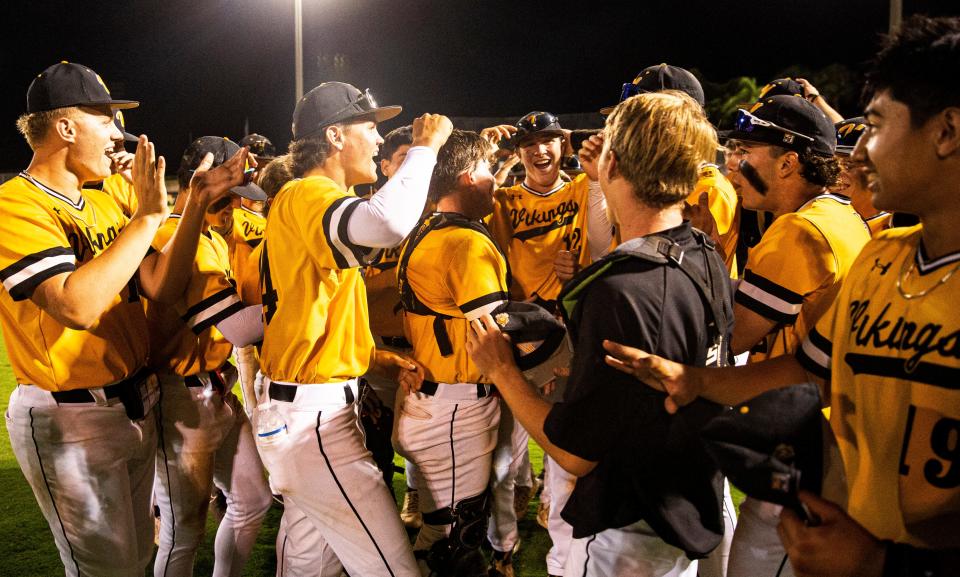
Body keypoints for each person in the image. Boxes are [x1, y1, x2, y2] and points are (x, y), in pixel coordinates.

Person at [603, 15, 960, 577]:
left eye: (877, 126)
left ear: (946, 131)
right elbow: (809, 367)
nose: (858, 152)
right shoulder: (883, 255)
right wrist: (695, 379)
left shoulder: (810, 230)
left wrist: (883, 564)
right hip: (843, 513)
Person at [468, 90, 733, 577]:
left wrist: (502, 371)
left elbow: (576, 454)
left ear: (612, 162)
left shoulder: (620, 286)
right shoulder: (704, 252)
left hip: (626, 528)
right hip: (684, 503)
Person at [1, 61, 245, 577]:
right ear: (66, 128)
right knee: (106, 571)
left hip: (133, 402)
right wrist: (150, 218)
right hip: (69, 415)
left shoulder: (107, 197)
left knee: (135, 564)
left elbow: (162, 286)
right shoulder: (14, 203)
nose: (118, 135)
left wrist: (195, 203)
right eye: (106, 121)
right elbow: (77, 306)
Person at [255, 80, 451, 577]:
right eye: (370, 127)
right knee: (394, 570)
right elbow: (384, 224)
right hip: (312, 422)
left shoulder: (310, 197)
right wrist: (424, 150)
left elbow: (316, 307)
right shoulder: (306, 191)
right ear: (336, 136)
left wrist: (373, 355)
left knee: (306, 569)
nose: (379, 139)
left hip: (302, 408)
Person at [719, 94, 871, 576]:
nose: (735, 166)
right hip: (842, 432)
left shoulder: (798, 232)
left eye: (747, 152)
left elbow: (733, 338)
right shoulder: (840, 215)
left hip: (809, 442)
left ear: (788, 163)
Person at [481, 110, 611, 577]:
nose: (540, 149)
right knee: (505, 445)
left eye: (549, 140)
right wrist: (491, 159)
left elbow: (604, 243)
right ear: (519, 152)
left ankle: (557, 521)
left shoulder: (582, 188)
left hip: (570, 329)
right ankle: (504, 545)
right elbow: (476, 210)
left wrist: (582, 274)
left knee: (570, 434)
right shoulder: (504, 197)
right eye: (530, 142)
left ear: (564, 145)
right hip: (519, 331)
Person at [148, 136, 273, 577]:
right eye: (229, 197)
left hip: (215, 388)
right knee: (184, 529)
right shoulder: (175, 236)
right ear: (201, 179)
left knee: (253, 498)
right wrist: (307, 301)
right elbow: (240, 328)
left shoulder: (207, 235)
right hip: (180, 397)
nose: (234, 209)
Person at [394, 129, 506, 575]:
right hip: (456, 409)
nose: (495, 179)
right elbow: (498, 332)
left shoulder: (423, 230)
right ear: (466, 178)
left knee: (436, 532)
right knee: (458, 542)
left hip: (431, 401)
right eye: (488, 170)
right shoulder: (464, 241)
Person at [602, 63, 741, 276]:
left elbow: (686, 276)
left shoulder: (708, 189)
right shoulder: (648, 178)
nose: (627, 135)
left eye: (638, 124)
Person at [834, 117, 892, 236]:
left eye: (848, 164)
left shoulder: (902, 227)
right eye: (830, 163)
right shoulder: (812, 218)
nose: (836, 171)